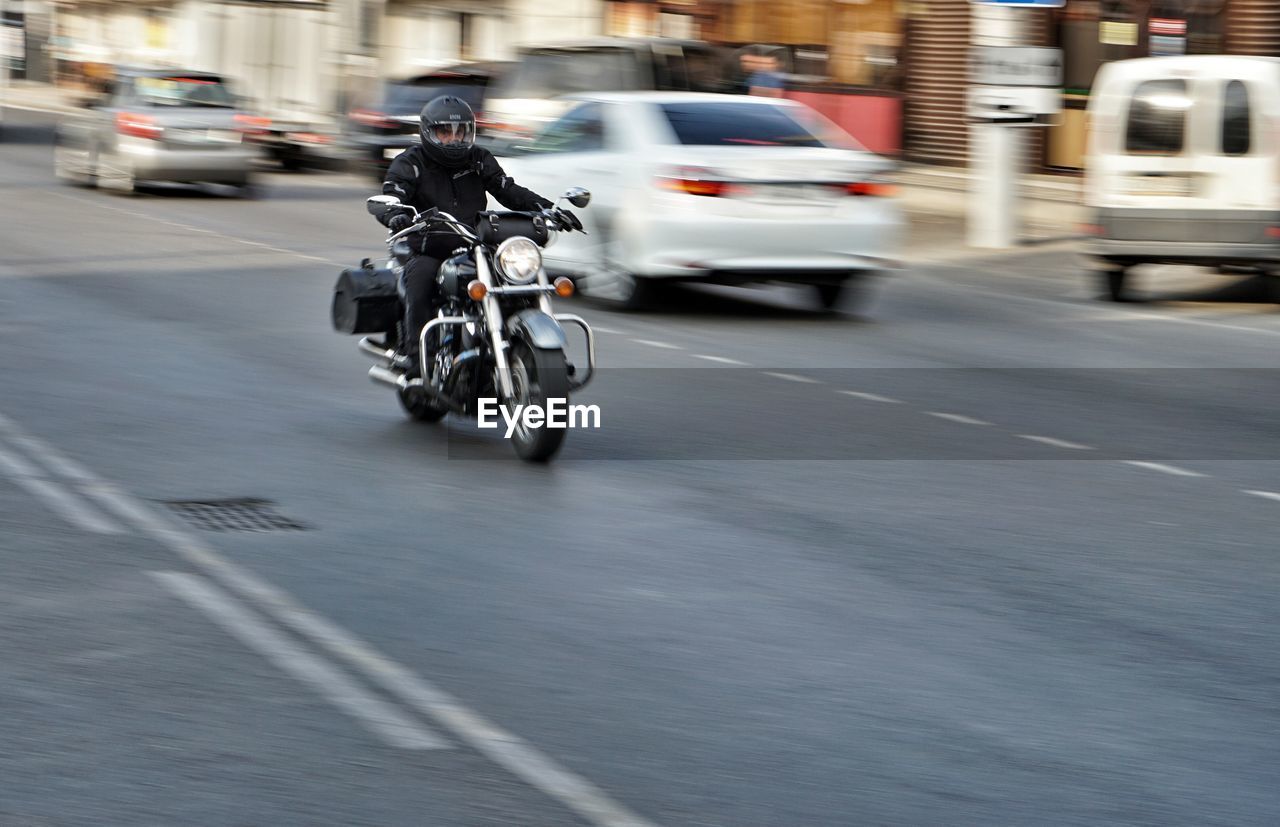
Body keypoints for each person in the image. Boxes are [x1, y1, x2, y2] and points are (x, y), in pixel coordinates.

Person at [375, 95, 557, 375]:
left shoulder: (478, 159)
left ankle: (529, 351)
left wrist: (549, 209)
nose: (454, 139)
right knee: (420, 283)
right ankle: (417, 360)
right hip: (430, 247)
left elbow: (507, 190)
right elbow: (392, 194)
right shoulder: (411, 162)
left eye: (461, 131)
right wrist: (395, 214)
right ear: (428, 132)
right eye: (445, 132)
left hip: (477, 246)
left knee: (518, 281)